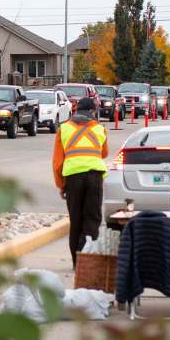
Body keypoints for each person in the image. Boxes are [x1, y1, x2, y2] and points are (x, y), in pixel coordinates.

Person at [52, 96, 108, 266]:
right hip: (94, 176)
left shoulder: (64, 129)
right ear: (92, 111)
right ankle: (88, 261)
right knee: (92, 218)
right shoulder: (100, 128)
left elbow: (57, 162)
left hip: (73, 178)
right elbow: (104, 153)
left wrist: (61, 185)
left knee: (76, 220)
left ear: (76, 110)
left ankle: (77, 262)